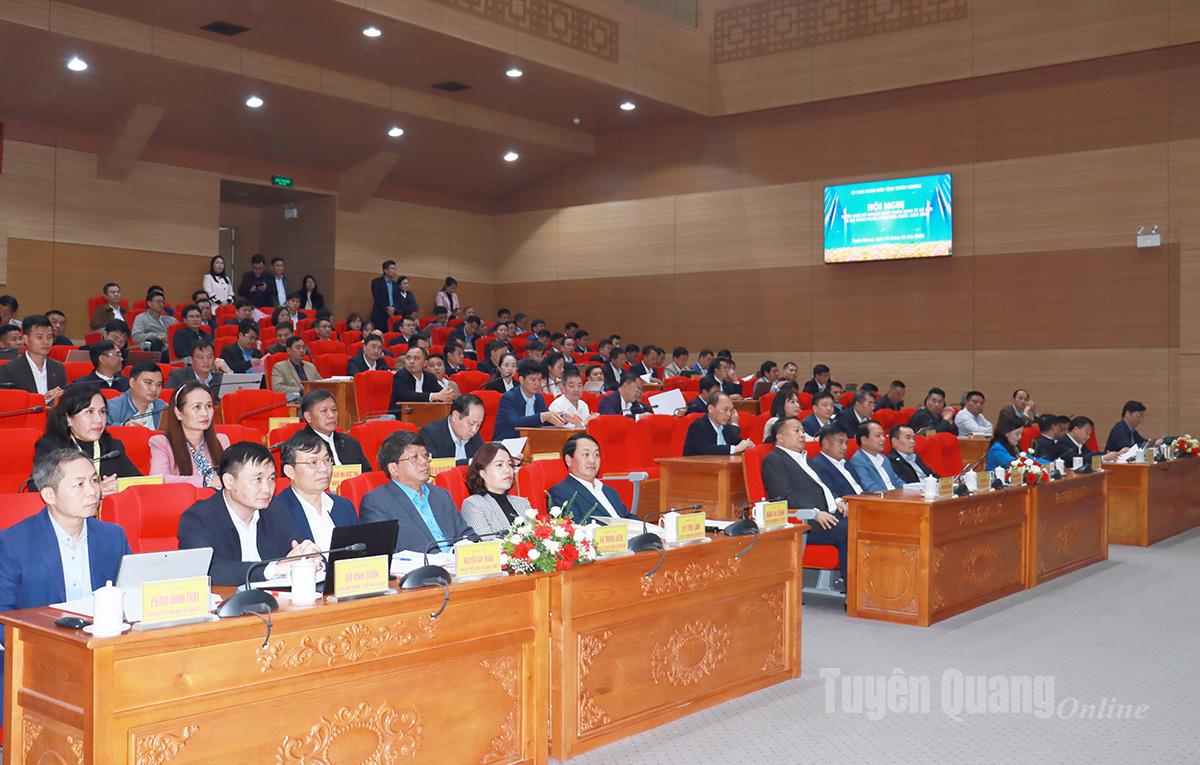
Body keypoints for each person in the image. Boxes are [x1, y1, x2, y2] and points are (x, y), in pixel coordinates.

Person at [0, 448, 132, 715]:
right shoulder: (13, 542)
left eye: (94, 480)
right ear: (49, 495)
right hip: (39, 658)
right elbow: (3, 617)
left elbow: (131, 597)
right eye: (79, 484)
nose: (93, 491)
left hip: (103, 653)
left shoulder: (113, 536)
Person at [177, 442, 321, 585]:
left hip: (274, 597)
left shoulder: (275, 510)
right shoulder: (198, 518)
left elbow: (297, 551)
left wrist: (310, 558)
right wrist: (273, 569)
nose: (267, 488)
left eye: (271, 479)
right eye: (258, 479)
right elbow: (205, 570)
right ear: (228, 481)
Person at [359, 431, 477, 553]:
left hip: (455, 561)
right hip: (421, 565)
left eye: (425, 455)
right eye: (414, 457)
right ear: (393, 468)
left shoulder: (441, 494)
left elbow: (467, 534)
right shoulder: (376, 502)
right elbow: (383, 552)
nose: (423, 461)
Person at [762, 418, 848, 584]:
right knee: (850, 530)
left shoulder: (804, 458)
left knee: (866, 523)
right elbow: (782, 497)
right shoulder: (774, 460)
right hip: (809, 523)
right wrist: (814, 513)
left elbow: (823, 485)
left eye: (802, 431)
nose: (802, 435)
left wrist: (837, 500)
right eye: (796, 431)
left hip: (830, 514)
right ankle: (853, 588)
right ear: (780, 438)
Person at [34, 385, 141, 493]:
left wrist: (121, 487)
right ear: (68, 418)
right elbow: (38, 488)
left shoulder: (113, 449)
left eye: (102, 412)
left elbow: (140, 484)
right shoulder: (50, 448)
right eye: (90, 412)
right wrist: (95, 489)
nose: (99, 420)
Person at [267, 430, 358, 551]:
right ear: (290, 471)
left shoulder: (344, 507)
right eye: (313, 462)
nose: (324, 469)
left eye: (327, 460)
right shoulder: (274, 512)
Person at [149, 382, 230, 488]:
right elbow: (158, 479)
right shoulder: (161, 443)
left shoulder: (222, 440)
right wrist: (206, 481)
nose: (205, 413)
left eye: (208, 406)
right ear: (178, 413)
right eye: (197, 407)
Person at [547, 433, 637, 524]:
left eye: (596, 455)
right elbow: (576, 527)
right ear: (568, 460)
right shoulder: (560, 492)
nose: (593, 460)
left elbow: (627, 517)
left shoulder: (609, 491)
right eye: (586, 454)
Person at [459, 443, 531, 536]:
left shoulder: (523, 503)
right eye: (499, 465)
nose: (507, 470)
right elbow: (485, 542)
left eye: (510, 464)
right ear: (483, 473)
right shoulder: (474, 505)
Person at [0, 315, 67, 403]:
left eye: (49, 337)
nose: (46, 342)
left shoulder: (58, 367)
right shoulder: (9, 369)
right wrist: (41, 400)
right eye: (39, 337)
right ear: (26, 339)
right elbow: (9, 404)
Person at [299, 389, 371, 471]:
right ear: (308, 417)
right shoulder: (300, 448)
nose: (331, 415)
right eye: (324, 411)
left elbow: (366, 474)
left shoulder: (350, 442)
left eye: (334, 410)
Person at [493, 359, 564, 440]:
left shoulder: (539, 398)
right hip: (506, 442)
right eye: (533, 380)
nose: (537, 383)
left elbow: (545, 422)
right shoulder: (509, 398)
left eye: (539, 379)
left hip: (531, 441)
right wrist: (542, 416)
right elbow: (516, 422)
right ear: (521, 380)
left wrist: (562, 418)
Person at [419, 394, 485, 465]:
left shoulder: (474, 435)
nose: (474, 430)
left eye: (479, 425)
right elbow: (433, 466)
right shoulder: (430, 433)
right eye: (471, 423)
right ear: (455, 416)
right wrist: (469, 462)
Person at [683, 393, 753, 456]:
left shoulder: (726, 427)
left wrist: (747, 444)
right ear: (711, 409)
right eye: (725, 409)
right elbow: (707, 448)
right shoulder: (698, 426)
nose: (729, 414)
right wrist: (735, 449)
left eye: (731, 410)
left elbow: (737, 441)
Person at [808, 425, 864, 499]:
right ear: (826, 444)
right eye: (840, 442)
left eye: (846, 443)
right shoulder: (817, 465)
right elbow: (831, 496)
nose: (845, 447)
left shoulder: (846, 462)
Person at [106, 361, 166, 428]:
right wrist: (123, 427)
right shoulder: (111, 408)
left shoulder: (163, 408)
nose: (154, 389)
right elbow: (103, 430)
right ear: (132, 382)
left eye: (159, 385)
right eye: (149, 383)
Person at [848, 421, 903, 492]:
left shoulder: (884, 458)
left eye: (883, 435)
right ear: (864, 440)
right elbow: (869, 487)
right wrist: (894, 496)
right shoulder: (858, 460)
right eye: (878, 436)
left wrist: (909, 489)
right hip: (882, 497)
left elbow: (897, 481)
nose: (883, 439)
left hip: (895, 495)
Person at [391, 346, 457, 405]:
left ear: (425, 363)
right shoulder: (400, 376)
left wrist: (448, 395)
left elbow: (440, 393)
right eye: (408, 358)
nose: (411, 361)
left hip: (427, 413)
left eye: (416, 358)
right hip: (402, 413)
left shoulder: (430, 377)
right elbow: (407, 396)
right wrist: (433, 396)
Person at [271, 336, 319, 402]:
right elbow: (277, 388)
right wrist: (300, 390)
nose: (302, 350)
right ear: (288, 350)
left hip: (314, 401)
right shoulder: (280, 367)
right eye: (298, 347)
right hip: (295, 402)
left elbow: (320, 383)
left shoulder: (311, 366)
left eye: (303, 347)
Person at [370, 260, 400, 329]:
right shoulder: (376, 282)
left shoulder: (395, 284)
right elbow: (377, 297)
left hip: (393, 314)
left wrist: (394, 308)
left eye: (395, 269)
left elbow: (398, 299)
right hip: (380, 314)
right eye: (392, 269)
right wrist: (387, 308)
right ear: (385, 270)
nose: (394, 271)